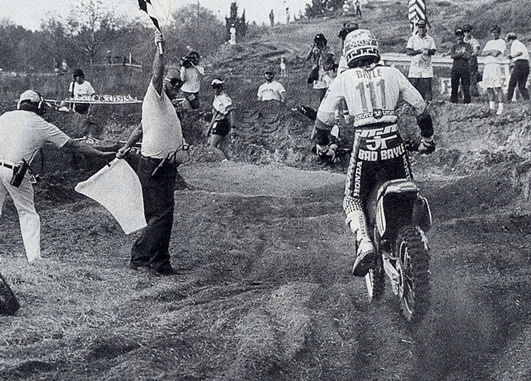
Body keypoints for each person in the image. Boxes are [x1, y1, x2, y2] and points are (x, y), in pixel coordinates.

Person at [313, 29, 435, 276]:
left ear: (349, 53)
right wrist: (427, 140)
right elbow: (421, 107)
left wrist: (324, 147)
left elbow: (323, 119)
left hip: (365, 145)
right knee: (408, 189)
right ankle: (417, 234)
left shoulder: (344, 79)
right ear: (374, 49)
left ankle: (365, 243)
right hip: (394, 143)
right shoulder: (393, 73)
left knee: (352, 198)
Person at [0, 90, 114, 263]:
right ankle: (34, 258)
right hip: (14, 171)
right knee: (27, 213)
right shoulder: (42, 125)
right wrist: (100, 154)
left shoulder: (6, 116)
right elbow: (73, 146)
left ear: (20, 104)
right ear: (39, 106)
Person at [117, 32, 187, 276]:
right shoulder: (155, 94)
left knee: (162, 215)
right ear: (163, 82)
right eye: (173, 82)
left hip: (164, 166)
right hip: (154, 165)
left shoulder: (164, 103)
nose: (176, 86)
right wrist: (160, 49)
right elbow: (158, 73)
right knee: (161, 215)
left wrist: (127, 145)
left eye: (179, 83)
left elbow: (140, 127)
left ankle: (160, 261)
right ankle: (140, 256)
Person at [406, 19, 437, 102]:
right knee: (413, 85)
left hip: (426, 65)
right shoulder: (412, 39)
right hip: (415, 65)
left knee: (428, 85)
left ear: (426, 27)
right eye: (420, 27)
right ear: (417, 28)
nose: (422, 29)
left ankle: (429, 105)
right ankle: (413, 104)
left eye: (423, 27)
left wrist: (427, 51)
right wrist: (419, 51)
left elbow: (433, 51)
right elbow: (409, 52)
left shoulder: (430, 39)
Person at [206, 78, 235, 161]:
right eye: (214, 87)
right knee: (221, 146)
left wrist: (233, 126)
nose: (216, 89)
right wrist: (209, 128)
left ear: (221, 87)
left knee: (212, 146)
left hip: (221, 123)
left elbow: (231, 111)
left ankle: (225, 161)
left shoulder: (224, 98)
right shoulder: (217, 98)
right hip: (220, 122)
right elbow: (214, 115)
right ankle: (230, 161)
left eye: (218, 87)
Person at [481, 25, 506, 115]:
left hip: (495, 65)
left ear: (498, 33)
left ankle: (500, 107)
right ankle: (492, 108)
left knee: (498, 87)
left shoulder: (501, 42)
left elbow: (496, 54)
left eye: (496, 32)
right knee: (489, 87)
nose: (494, 34)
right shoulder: (489, 42)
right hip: (487, 66)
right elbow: (482, 53)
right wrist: (491, 50)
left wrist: (490, 52)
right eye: (492, 32)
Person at [306, 33, 334, 103]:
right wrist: (312, 48)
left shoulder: (329, 48)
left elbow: (328, 57)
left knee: (330, 92)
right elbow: (307, 58)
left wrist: (322, 49)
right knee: (321, 94)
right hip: (319, 73)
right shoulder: (315, 49)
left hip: (328, 72)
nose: (318, 43)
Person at [450, 27, 473, 104]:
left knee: (466, 87)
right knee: (454, 87)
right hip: (455, 68)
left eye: (460, 35)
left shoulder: (468, 45)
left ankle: (467, 103)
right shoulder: (454, 46)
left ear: (463, 36)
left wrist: (460, 55)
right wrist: (460, 54)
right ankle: (453, 103)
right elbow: (452, 55)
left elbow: (468, 56)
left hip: (465, 68)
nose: (459, 37)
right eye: (458, 35)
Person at [506, 32, 529, 102]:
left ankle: (509, 99)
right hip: (526, 64)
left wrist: (511, 56)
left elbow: (519, 52)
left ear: (510, 40)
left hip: (520, 64)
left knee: (512, 82)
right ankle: (527, 99)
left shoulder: (515, 43)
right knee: (522, 85)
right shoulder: (521, 44)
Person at [463, 24, 481, 97]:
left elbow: (476, 52)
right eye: (465, 31)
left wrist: (470, 55)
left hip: (472, 62)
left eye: (468, 31)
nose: (466, 33)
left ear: (470, 31)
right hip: (463, 62)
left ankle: (474, 94)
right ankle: (463, 94)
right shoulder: (462, 40)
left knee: (472, 78)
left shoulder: (474, 41)